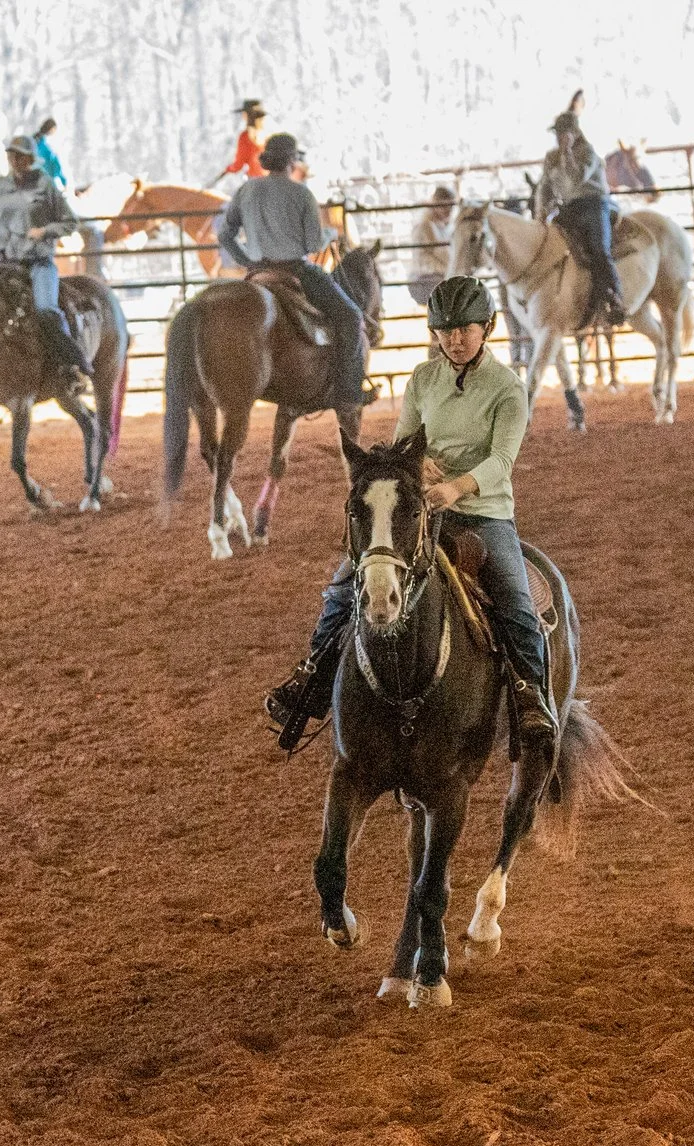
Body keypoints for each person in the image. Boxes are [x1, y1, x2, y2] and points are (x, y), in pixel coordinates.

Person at [266, 277, 553, 758]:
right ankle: (312, 679)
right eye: (445, 330)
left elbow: (501, 461)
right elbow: (403, 443)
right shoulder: (423, 379)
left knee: (515, 599)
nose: (455, 339)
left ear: (487, 328)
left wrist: (454, 487)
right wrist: (415, 465)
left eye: (465, 329)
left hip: (484, 514)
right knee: (345, 584)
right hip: (420, 512)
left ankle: (531, 698)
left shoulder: (508, 389)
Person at [214, 132, 373, 411]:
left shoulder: (246, 190)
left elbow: (226, 235)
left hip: (258, 273)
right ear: (291, 161)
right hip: (295, 270)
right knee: (350, 315)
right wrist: (328, 235)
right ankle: (350, 392)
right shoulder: (301, 193)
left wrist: (246, 261)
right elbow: (312, 244)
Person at [0, 135, 92, 395]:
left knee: (45, 310)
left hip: (38, 262)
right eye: (11, 156)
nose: (14, 161)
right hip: (5, 262)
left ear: (30, 160)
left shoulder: (45, 185)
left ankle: (71, 364)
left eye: (19, 156)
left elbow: (70, 222)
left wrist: (43, 231)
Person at [540, 108, 624, 327]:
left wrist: (567, 153)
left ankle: (615, 297)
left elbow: (576, 179)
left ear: (575, 133)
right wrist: (540, 214)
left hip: (594, 204)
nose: (560, 137)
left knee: (599, 249)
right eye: (558, 133)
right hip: (569, 208)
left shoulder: (587, 152)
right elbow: (545, 186)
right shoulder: (551, 158)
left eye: (563, 132)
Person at [407, 185, 458, 306]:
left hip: (437, 277)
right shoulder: (425, 226)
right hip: (423, 281)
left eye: (451, 206)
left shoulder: (442, 226)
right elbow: (424, 262)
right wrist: (451, 272)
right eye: (444, 206)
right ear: (435, 204)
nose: (448, 210)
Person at [215, 99, 269, 191]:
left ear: (247, 116)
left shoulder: (245, 136)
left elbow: (238, 164)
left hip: (254, 183)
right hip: (270, 181)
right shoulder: (268, 135)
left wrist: (228, 169)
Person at [31, 116, 69, 187]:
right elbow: (53, 160)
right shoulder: (44, 141)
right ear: (51, 128)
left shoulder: (35, 137)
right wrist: (63, 180)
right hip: (42, 176)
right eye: (54, 129)